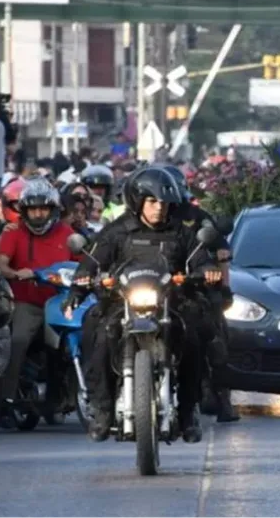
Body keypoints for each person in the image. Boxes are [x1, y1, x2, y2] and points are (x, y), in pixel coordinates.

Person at [65, 168, 222, 442]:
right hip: (123, 301)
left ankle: (187, 412)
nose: (158, 208)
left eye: (163, 203)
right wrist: (83, 280)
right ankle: (101, 410)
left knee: (194, 339)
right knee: (98, 333)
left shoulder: (181, 232)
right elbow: (92, 260)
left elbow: (200, 259)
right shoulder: (117, 231)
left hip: (172, 301)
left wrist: (207, 270)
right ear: (137, 202)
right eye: (151, 202)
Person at [156, 163, 239, 423]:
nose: (160, 202)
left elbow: (221, 251)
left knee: (215, 336)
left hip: (194, 285)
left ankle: (221, 397)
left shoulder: (196, 217)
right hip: (152, 286)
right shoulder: (145, 218)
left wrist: (221, 281)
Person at [0, 179, 76, 422]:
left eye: (44, 209)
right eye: (33, 209)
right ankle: (6, 400)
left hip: (61, 301)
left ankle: (70, 396)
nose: (38, 214)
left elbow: (83, 261)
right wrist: (12, 273)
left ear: (53, 210)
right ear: (24, 211)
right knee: (17, 342)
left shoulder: (67, 233)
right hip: (27, 302)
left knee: (68, 346)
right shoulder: (14, 231)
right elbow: (1, 261)